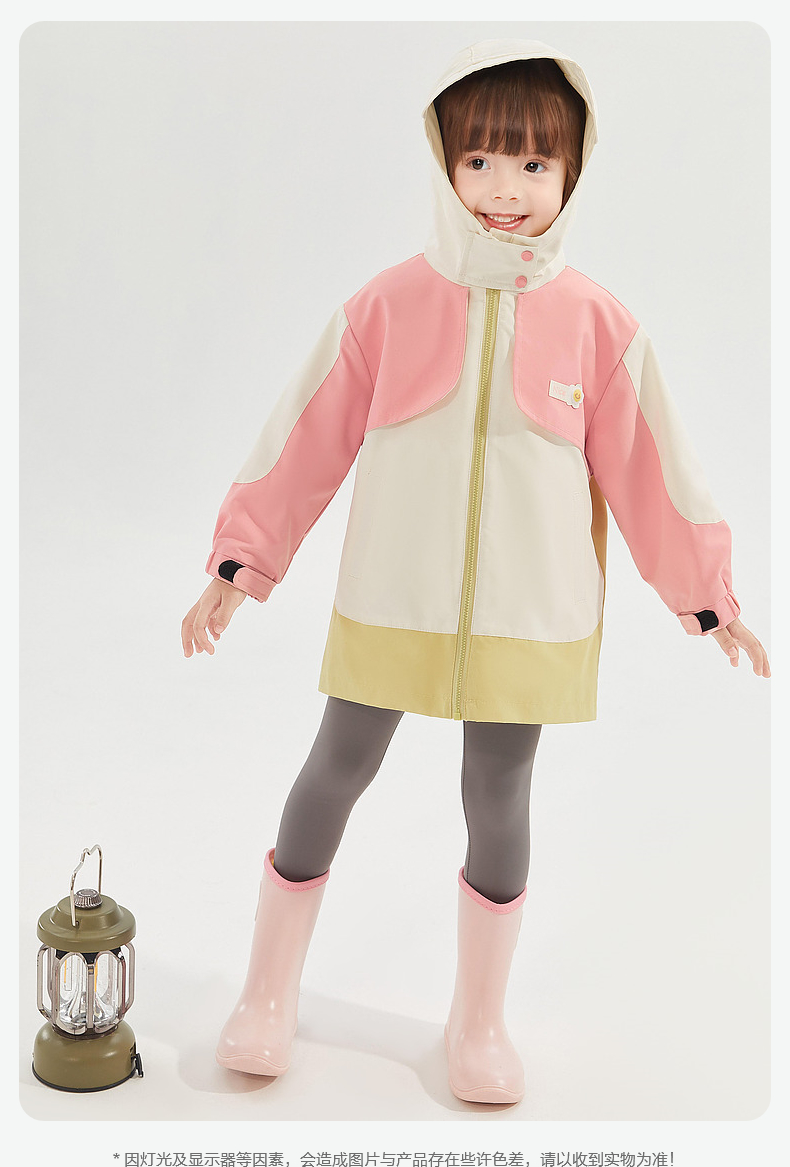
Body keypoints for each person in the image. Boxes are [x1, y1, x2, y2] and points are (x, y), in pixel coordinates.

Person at [181, 39, 770, 1105]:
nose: (506, 188)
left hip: (531, 616)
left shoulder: (598, 324)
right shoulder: (387, 306)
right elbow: (301, 440)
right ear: (444, 163)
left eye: (535, 165)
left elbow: (656, 472)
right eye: (481, 161)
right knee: (333, 770)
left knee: (498, 794)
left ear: (572, 173)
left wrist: (707, 595)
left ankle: (480, 1023)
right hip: (389, 597)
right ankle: (267, 994)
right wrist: (241, 559)